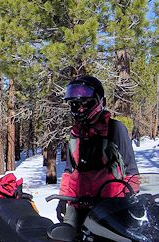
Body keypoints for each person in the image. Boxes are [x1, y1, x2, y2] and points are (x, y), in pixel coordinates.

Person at [57, 75, 139, 229]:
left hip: (110, 206)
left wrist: (131, 201)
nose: (80, 109)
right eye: (75, 105)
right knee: (65, 241)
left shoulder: (115, 129)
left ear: (100, 102)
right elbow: (69, 170)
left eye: (86, 104)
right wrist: (63, 199)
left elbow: (131, 170)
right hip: (78, 205)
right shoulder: (75, 134)